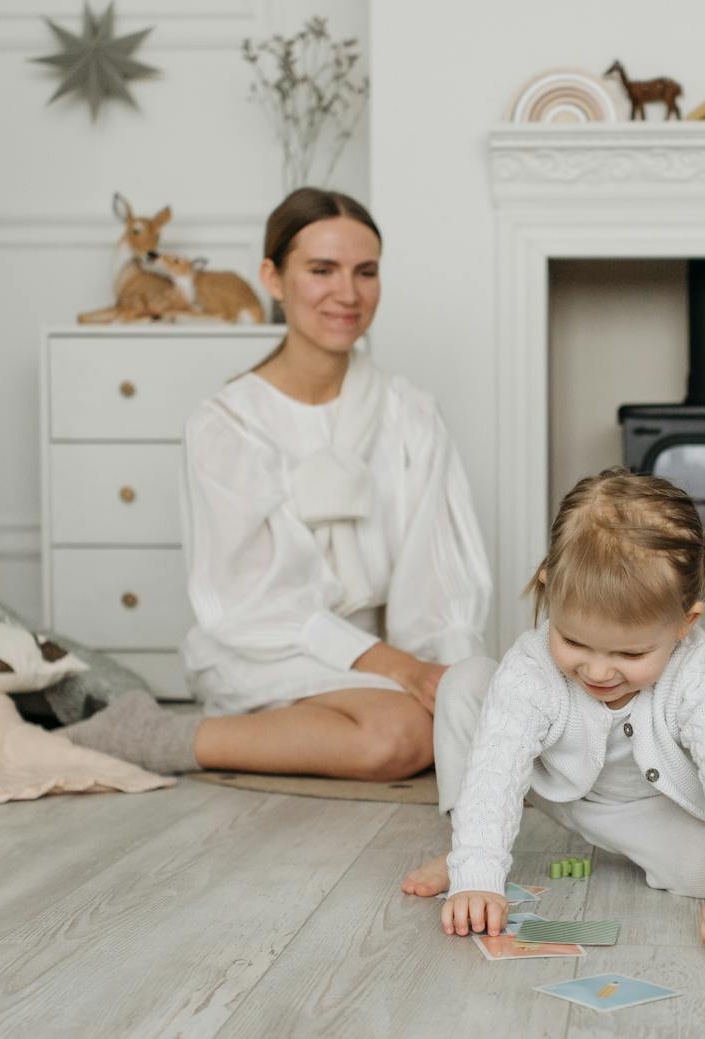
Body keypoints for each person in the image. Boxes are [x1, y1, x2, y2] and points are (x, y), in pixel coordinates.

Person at [63, 188, 492, 778]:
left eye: (365, 272)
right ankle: (164, 735)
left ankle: (343, 721)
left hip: (387, 661)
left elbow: (437, 575)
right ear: (272, 276)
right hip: (268, 646)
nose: (348, 294)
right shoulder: (226, 425)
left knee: (477, 714)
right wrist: (398, 671)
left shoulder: (411, 413)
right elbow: (252, 605)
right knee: (397, 739)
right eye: (322, 270)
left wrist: (449, 676)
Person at [401, 469, 705, 962]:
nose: (599, 670)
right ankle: (465, 847)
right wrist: (477, 876)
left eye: (629, 655)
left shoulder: (703, 674)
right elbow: (498, 765)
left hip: (645, 813)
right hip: (556, 784)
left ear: (684, 623)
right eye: (574, 641)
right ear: (550, 590)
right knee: (466, 682)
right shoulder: (532, 665)